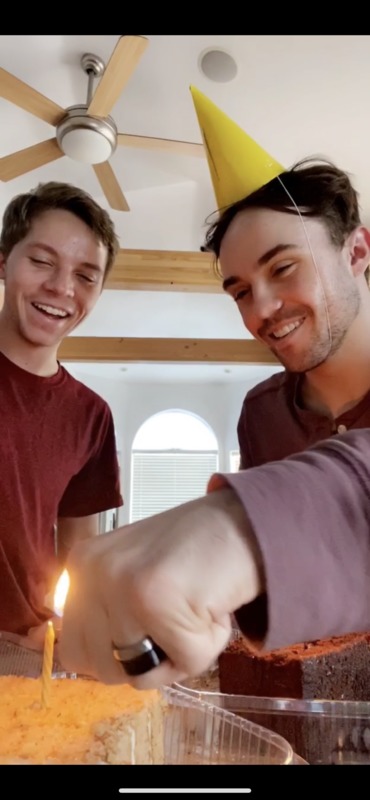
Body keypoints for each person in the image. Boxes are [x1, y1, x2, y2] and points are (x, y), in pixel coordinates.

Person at [193, 86, 370, 470]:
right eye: (240, 292)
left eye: (283, 268)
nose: (262, 310)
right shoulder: (261, 416)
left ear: (356, 252)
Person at [0, 181, 123, 638]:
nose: (61, 287)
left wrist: (77, 629)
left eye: (86, 276)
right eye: (41, 261)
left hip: (26, 654)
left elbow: (80, 552)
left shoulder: (92, 416)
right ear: (3, 261)